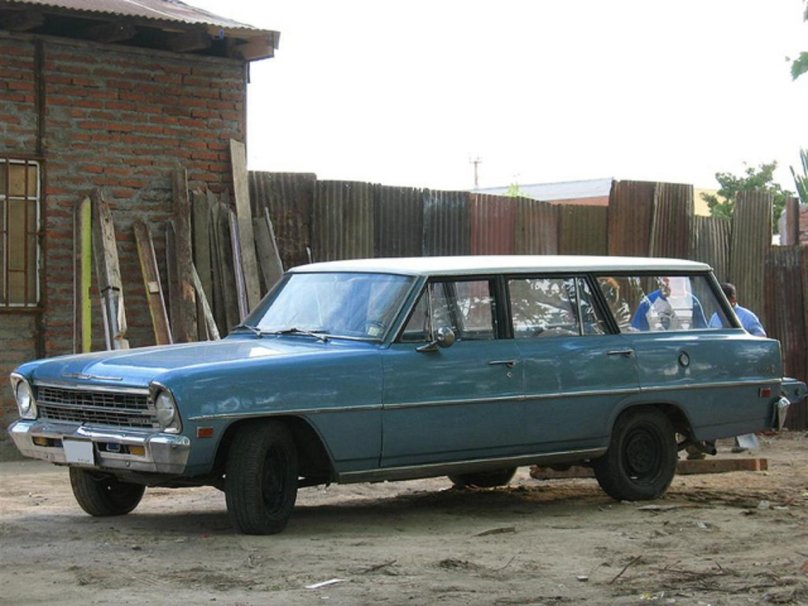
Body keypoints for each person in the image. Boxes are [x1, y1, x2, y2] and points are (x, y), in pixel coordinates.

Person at [631, 276, 707, 331]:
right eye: (676, 281)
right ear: (664, 281)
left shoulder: (692, 302)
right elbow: (637, 333)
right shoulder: (649, 302)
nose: (680, 284)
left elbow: (703, 334)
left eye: (682, 280)